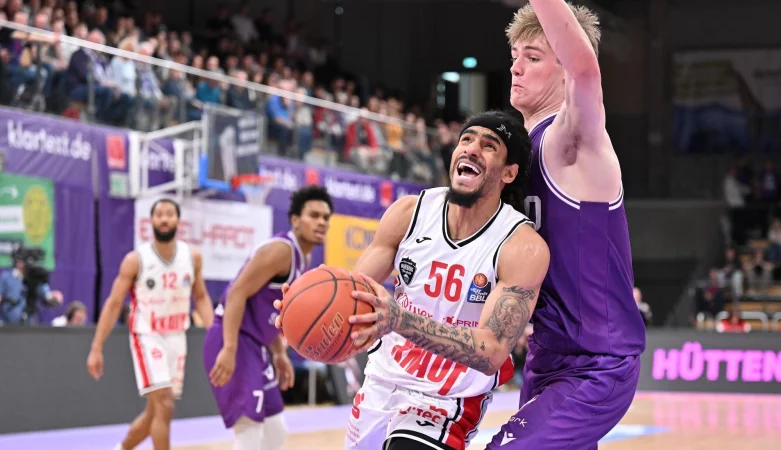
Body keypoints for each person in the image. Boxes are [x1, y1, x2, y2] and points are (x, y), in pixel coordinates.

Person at [277, 110, 551, 450]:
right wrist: (302, 306)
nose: (471, 149)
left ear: (509, 172)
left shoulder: (521, 246)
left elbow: (492, 351)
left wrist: (401, 321)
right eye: (466, 139)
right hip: (381, 381)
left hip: (447, 400)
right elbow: (352, 290)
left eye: (489, 145)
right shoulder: (409, 213)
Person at [484, 2, 647, 448]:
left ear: (562, 70)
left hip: (597, 361)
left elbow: (586, 73)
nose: (517, 67)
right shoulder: (517, 155)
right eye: (515, 55)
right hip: (546, 355)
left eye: (533, 57)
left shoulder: (571, 140)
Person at [204, 186, 333, 450]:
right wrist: (229, 348)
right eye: (314, 215)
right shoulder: (280, 251)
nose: (322, 222)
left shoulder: (302, 258)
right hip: (234, 339)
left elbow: (270, 311)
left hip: (256, 345)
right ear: (295, 220)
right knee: (249, 430)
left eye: (326, 217)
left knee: (276, 430)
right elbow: (237, 293)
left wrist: (278, 353)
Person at [86, 198, 215, 450]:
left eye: (169, 214)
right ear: (151, 222)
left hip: (177, 336)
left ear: (178, 220)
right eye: (159, 214)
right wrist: (96, 347)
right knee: (164, 404)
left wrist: (215, 335)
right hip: (147, 335)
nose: (164, 219)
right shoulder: (136, 260)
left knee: (156, 413)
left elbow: (200, 297)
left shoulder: (193, 257)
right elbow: (113, 303)